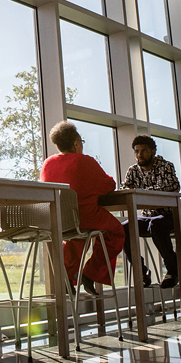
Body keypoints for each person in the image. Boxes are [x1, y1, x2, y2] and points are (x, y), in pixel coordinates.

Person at [41, 121, 123, 295]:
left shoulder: (47, 164)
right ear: (77, 144)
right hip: (84, 215)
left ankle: (66, 278)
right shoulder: (84, 161)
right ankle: (89, 273)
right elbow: (109, 185)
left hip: (57, 220)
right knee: (116, 231)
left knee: (76, 238)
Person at [120, 135, 181, 289]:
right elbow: (125, 190)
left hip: (170, 215)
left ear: (153, 150)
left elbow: (173, 186)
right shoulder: (133, 171)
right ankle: (141, 271)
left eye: (144, 151)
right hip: (149, 217)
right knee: (123, 229)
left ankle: (173, 271)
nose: (140, 155)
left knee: (157, 224)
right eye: (137, 151)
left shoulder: (166, 166)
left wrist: (141, 191)